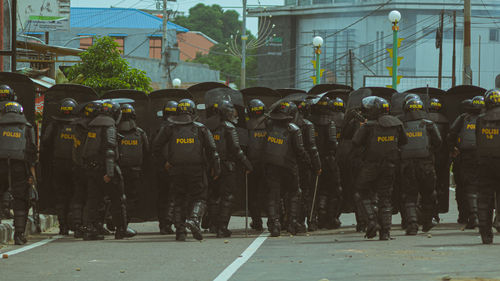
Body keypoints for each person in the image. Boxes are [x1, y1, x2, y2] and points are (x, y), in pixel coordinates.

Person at [152, 99, 220, 241]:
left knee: (179, 199)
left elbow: (156, 147)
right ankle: (194, 220)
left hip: (176, 169)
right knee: (200, 197)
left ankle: (180, 231)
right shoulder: (201, 128)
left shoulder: (169, 128)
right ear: (193, 111)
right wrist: (215, 168)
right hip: (196, 169)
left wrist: (166, 162)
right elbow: (212, 150)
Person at [352, 96, 407, 240]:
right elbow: (403, 141)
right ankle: (385, 232)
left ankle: (371, 221)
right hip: (390, 166)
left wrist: (362, 127)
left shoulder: (368, 126)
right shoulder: (397, 124)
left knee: (361, 192)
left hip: (371, 165)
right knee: (385, 198)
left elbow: (356, 142)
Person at [81, 101, 135, 240]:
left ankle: (89, 229)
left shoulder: (92, 126)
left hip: (91, 169)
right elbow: (110, 151)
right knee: (118, 199)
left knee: (93, 200)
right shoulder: (109, 127)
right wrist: (110, 173)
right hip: (106, 169)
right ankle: (121, 229)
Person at [263, 101, 313, 237]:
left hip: (271, 166)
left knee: (273, 195)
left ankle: (274, 224)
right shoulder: (294, 129)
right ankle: (292, 223)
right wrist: (309, 162)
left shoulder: (269, 126)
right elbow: (300, 150)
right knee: (294, 193)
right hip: (289, 167)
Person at [205, 100, 253, 238]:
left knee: (214, 196)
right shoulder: (229, 128)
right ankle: (222, 228)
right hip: (228, 166)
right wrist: (247, 164)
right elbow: (236, 149)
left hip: (213, 166)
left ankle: (214, 225)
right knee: (228, 196)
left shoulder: (210, 127)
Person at [400, 98, 442, 235]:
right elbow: (438, 142)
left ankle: (412, 224)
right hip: (426, 164)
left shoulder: (401, 124)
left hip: (407, 165)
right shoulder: (428, 124)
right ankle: (427, 222)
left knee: (410, 195)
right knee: (429, 194)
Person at [0, 101, 37, 245]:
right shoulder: (27, 127)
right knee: (21, 199)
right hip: (20, 167)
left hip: (1, 164)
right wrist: (31, 175)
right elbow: (32, 151)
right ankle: (19, 234)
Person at [41, 98, 78, 235]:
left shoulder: (54, 124)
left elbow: (45, 141)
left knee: (61, 196)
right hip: (75, 165)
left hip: (58, 164)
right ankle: (76, 224)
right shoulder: (79, 125)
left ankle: (63, 227)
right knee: (75, 195)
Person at [447, 96, 485, 230]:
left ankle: (472, 216)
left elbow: (451, 134)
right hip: (486, 157)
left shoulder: (463, 118)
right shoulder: (490, 119)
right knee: (487, 188)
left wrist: (453, 148)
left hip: (466, 157)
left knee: (467, 186)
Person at [309, 96, 341, 229]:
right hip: (329, 160)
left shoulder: (309, 122)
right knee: (333, 189)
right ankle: (330, 217)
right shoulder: (330, 123)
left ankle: (313, 220)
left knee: (314, 190)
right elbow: (333, 143)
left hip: (312, 159)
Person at [475, 89, 500, 244]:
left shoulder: (480, 119)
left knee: (484, 199)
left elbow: (478, 140)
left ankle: (485, 234)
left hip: (484, 163)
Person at [292, 100, 321, 232]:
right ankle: (311, 221)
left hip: (292, 163)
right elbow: (312, 147)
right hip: (306, 163)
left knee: (294, 193)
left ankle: (295, 222)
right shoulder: (308, 125)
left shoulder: (288, 124)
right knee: (308, 193)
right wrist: (317, 165)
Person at [117, 104, 149, 222]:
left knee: (116, 196)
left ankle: (116, 219)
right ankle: (126, 221)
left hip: (117, 170)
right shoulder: (140, 133)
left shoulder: (114, 131)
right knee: (131, 196)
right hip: (135, 171)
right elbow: (147, 152)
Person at [427, 98, 450, 221]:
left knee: (427, 186)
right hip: (442, 157)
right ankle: (437, 212)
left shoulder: (424, 119)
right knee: (439, 185)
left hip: (427, 156)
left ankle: (429, 213)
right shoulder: (445, 120)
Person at [157, 101, 178, 235]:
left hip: (162, 167)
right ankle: (167, 223)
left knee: (163, 197)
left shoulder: (160, 127)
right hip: (171, 166)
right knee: (173, 196)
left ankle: (164, 224)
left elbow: (154, 147)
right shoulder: (175, 128)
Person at [246, 99, 267, 231]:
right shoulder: (270, 123)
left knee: (253, 194)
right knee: (271, 193)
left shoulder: (246, 125)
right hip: (268, 164)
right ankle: (275, 221)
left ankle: (257, 221)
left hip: (251, 165)